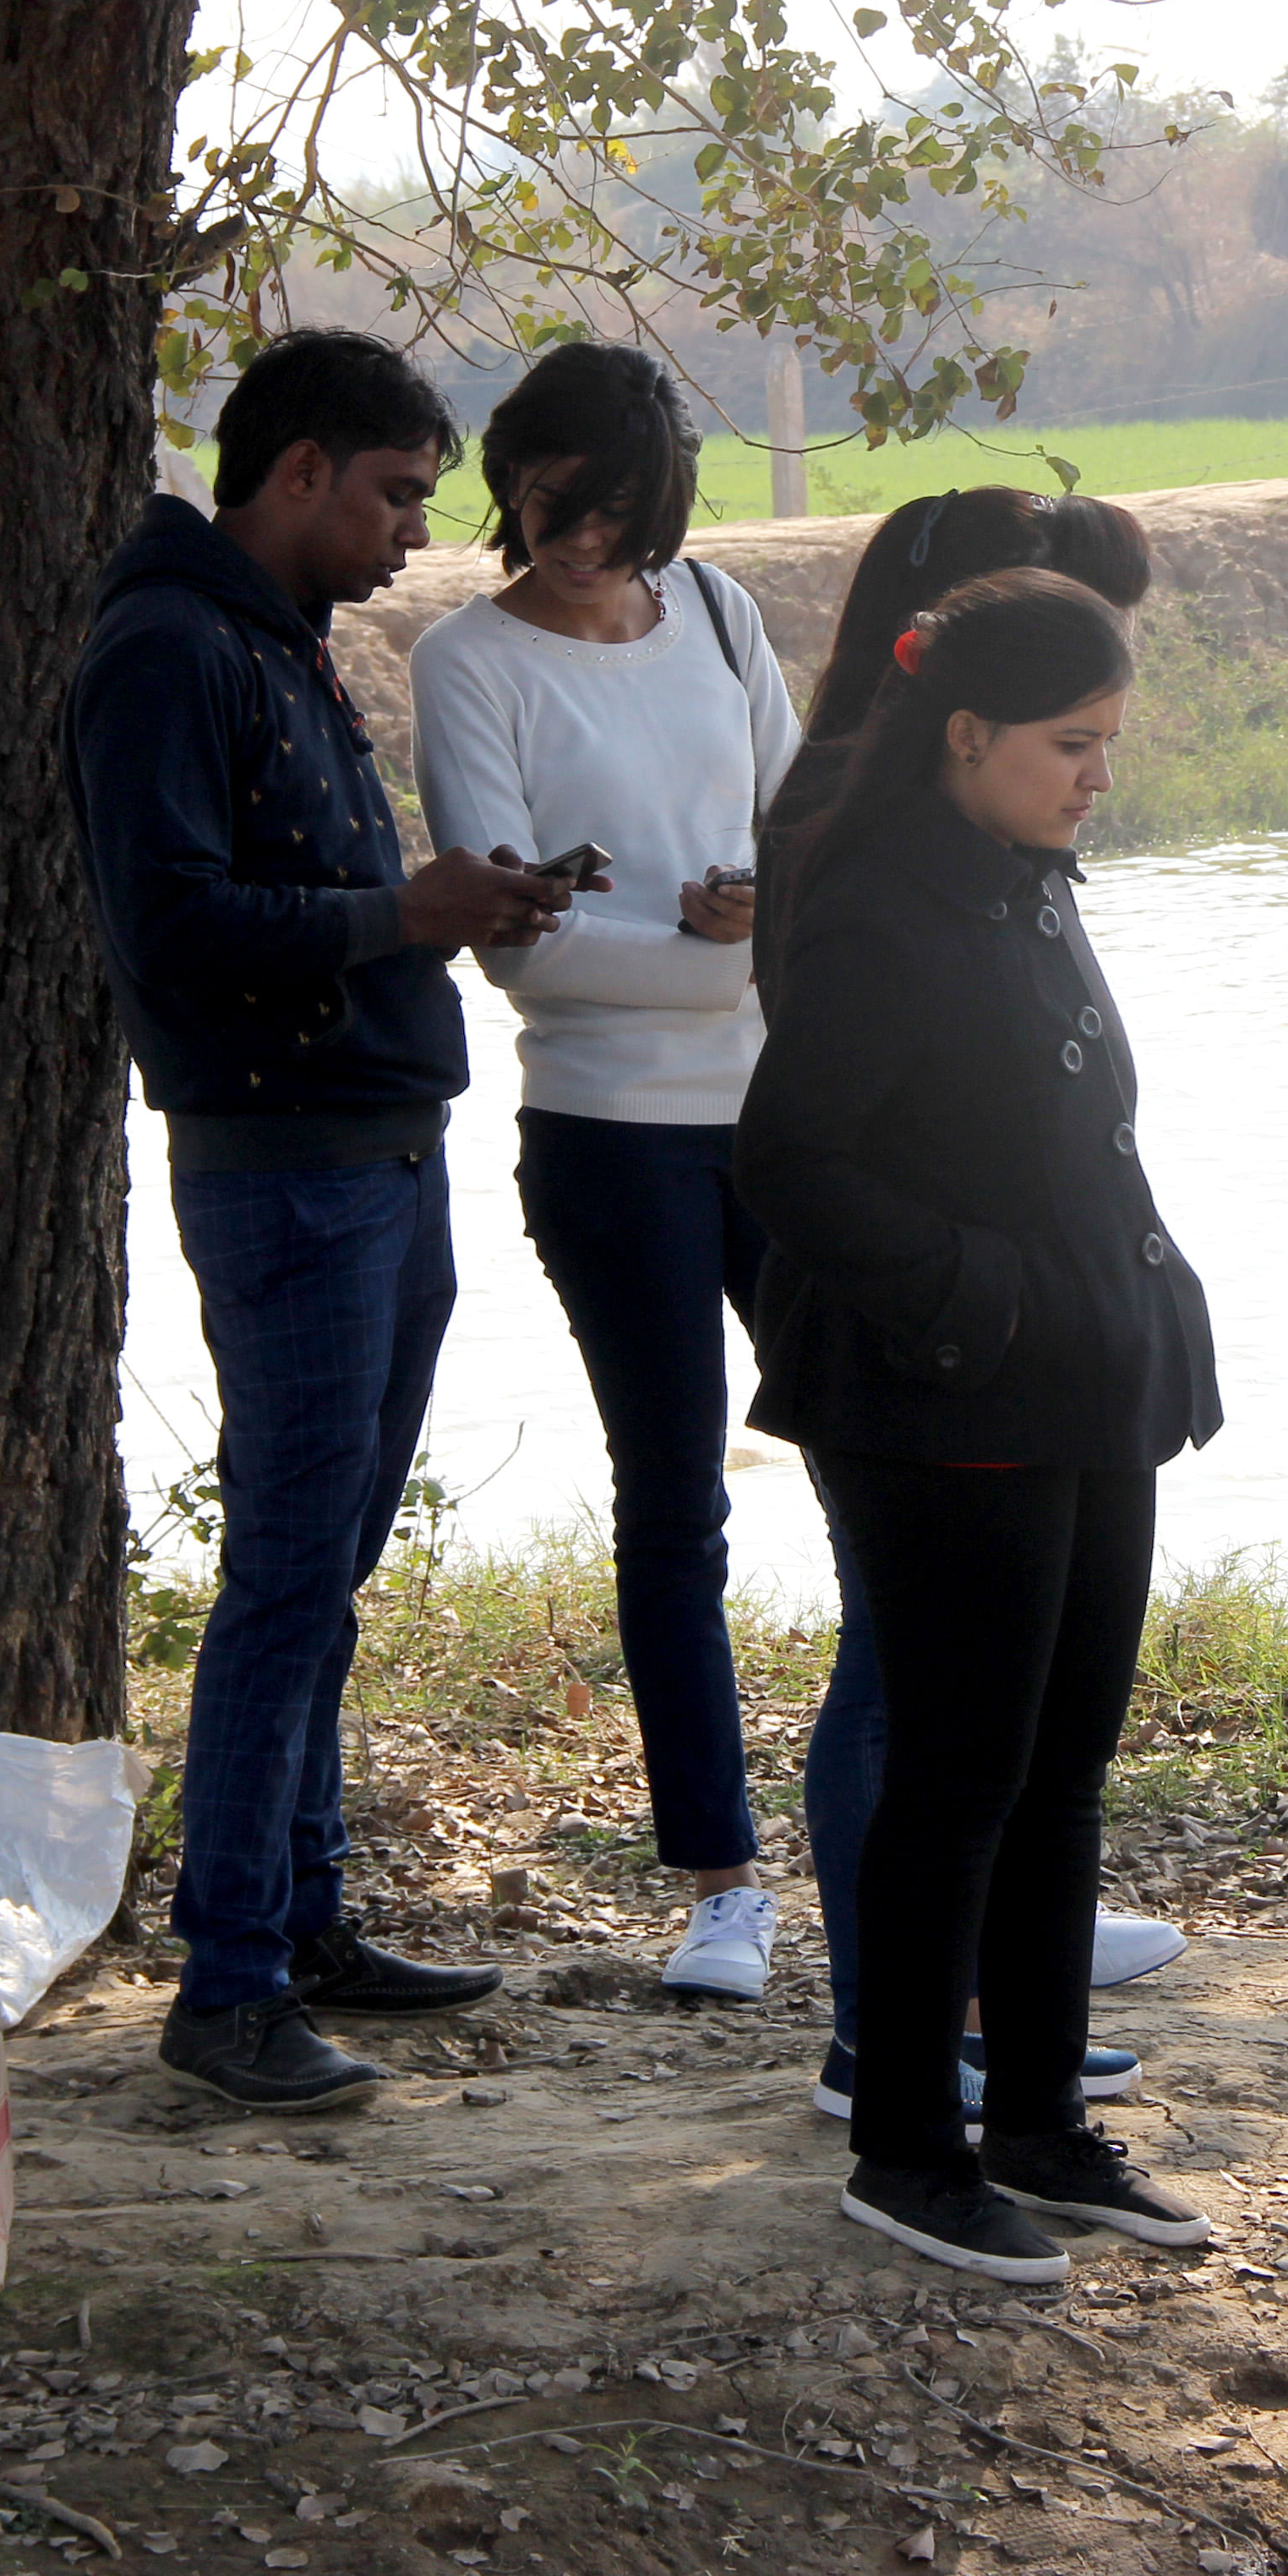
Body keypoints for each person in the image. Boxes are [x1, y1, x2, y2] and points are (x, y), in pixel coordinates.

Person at [70, 329, 576, 2108]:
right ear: (297, 473)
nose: (413, 535)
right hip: (286, 1163)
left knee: (324, 1569)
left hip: (372, 1145)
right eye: (394, 495)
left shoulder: (266, 634)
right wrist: (400, 918)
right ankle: (226, 1990)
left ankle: (302, 1921)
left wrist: (446, 906)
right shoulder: (167, 647)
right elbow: (170, 926)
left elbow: (300, 894)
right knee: (287, 1576)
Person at [738, 567, 1228, 2282]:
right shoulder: (881, 905)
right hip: (949, 1400)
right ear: (966, 735)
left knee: (1062, 1766)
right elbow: (790, 1162)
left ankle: (1036, 2116)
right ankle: (905, 2147)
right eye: (1068, 743)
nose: (1098, 774)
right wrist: (981, 1298)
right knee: (958, 1772)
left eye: (1108, 741)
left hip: (1084, 1380)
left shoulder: (1018, 879)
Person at [409, 342, 818, 2001]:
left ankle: (956, 1853)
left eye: (626, 517)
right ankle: (723, 1884)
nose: (586, 541)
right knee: (675, 1501)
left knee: (898, 1466)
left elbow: (806, 837)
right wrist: (727, 958)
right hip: (606, 1133)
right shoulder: (469, 662)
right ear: (511, 476)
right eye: (558, 502)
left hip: (784, 1116)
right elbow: (523, 948)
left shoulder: (717, 614)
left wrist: (760, 912)